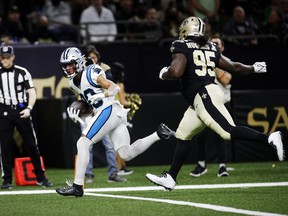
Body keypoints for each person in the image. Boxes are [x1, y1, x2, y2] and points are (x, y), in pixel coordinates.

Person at [145, 16, 285, 191]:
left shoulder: (180, 45)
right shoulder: (210, 46)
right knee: (183, 135)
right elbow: (233, 67)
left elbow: (177, 71)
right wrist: (253, 68)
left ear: (187, 29)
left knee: (227, 131)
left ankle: (270, 138)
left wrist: (165, 73)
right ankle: (171, 177)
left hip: (204, 94)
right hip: (200, 98)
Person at [56, 47, 175, 197]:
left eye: (70, 64)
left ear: (79, 62)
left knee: (83, 143)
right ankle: (159, 134)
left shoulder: (92, 71)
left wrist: (103, 95)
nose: (67, 68)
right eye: (65, 65)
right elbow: (89, 106)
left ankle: (78, 186)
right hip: (109, 113)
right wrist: (77, 112)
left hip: (109, 109)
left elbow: (114, 88)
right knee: (126, 153)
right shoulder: (72, 83)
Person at [0, 45, 53, 189]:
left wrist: (29, 108)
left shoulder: (22, 72)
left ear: (13, 57)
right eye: (2, 57)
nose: (4, 60)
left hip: (21, 110)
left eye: (7, 57)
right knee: (5, 147)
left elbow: (32, 92)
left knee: (31, 144)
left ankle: (41, 177)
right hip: (4, 111)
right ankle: (7, 180)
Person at [83, 45, 127, 183]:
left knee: (109, 144)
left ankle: (113, 173)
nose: (92, 60)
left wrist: (101, 95)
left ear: (98, 58)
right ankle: (88, 175)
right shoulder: (82, 71)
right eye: (89, 58)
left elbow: (113, 87)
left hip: (104, 109)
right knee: (85, 144)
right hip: (88, 110)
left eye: (94, 57)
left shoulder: (104, 69)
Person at [190, 35, 231, 178]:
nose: (214, 46)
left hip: (222, 103)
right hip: (204, 101)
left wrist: (213, 63)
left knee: (222, 135)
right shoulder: (200, 60)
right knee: (200, 135)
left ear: (222, 47)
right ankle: (201, 165)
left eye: (217, 44)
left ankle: (222, 166)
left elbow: (226, 79)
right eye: (212, 43)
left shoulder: (225, 61)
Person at [110, 62, 137, 176]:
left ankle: (122, 167)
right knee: (122, 144)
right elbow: (122, 101)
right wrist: (132, 103)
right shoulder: (120, 85)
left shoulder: (109, 84)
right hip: (119, 115)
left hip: (110, 115)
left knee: (115, 144)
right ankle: (119, 168)